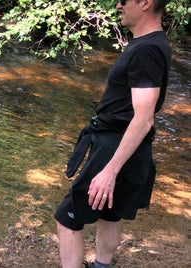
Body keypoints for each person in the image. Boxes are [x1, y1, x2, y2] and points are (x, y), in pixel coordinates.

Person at [54, 0, 171, 267]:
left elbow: (143, 117)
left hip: (117, 145)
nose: (118, 5)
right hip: (129, 145)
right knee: (111, 213)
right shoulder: (149, 43)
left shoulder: (147, 50)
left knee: (68, 218)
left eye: (124, 0)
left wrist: (110, 170)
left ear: (145, 3)